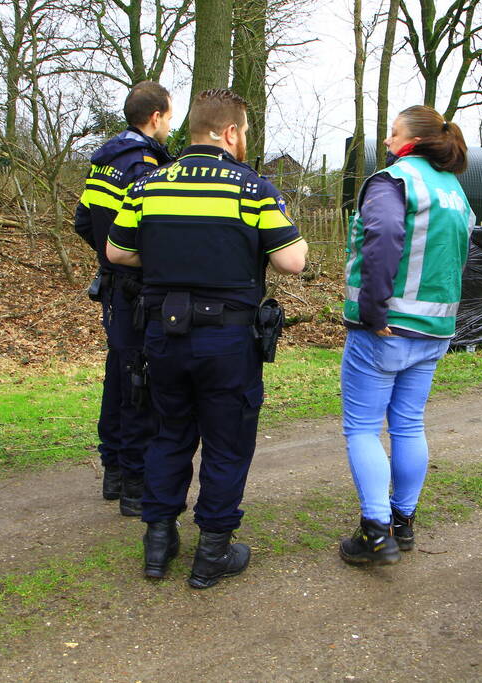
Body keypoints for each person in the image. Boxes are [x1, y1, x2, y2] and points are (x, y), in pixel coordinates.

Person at [106, 89, 307, 588]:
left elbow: (116, 252)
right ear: (231, 133)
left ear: (193, 129)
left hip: (163, 334)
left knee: (169, 432)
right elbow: (292, 260)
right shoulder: (253, 189)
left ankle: (159, 541)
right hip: (228, 342)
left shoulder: (148, 184)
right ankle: (212, 552)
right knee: (226, 443)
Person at [338, 105, 474, 565]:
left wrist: (374, 309)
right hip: (435, 329)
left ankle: (376, 532)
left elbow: (384, 233)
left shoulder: (393, 180)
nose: (388, 141)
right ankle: (404, 521)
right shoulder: (454, 189)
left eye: (394, 133)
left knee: (361, 428)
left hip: (386, 327)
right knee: (409, 424)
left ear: (412, 140)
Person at [74, 81, 174, 516]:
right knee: (139, 383)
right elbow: (153, 232)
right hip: (137, 289)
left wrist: (106, 256)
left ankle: (113, 468)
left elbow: (82, 221)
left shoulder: (105, 162)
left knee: (118, 375)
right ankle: (134, 484)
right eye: (170, 117)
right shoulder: (144, 165)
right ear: (155, 117)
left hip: (113, 286)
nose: (171, 125)